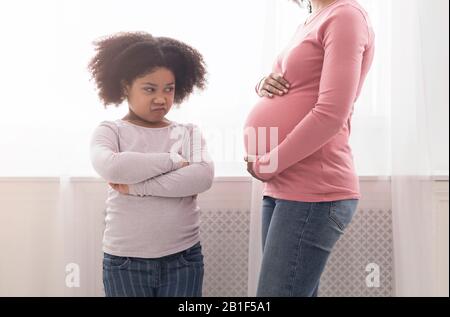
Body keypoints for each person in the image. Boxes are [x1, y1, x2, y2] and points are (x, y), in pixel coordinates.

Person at [244, 0, 375, 296]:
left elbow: (331, 114)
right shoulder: (312, 18)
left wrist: (269, 164)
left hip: (314, 188)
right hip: (283, 186)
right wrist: (262, 84)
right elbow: (299, 84)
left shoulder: (345, 16)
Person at [88, 32, 214, 297]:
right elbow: (111, 167)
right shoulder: (110, 130)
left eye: (168, 88)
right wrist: (173, 160)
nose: (161, 98)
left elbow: (202, 177)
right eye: (150, 88)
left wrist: (135, 187)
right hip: (125, 262)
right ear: (125, 87)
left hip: (183, 259)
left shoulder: (188, 132)